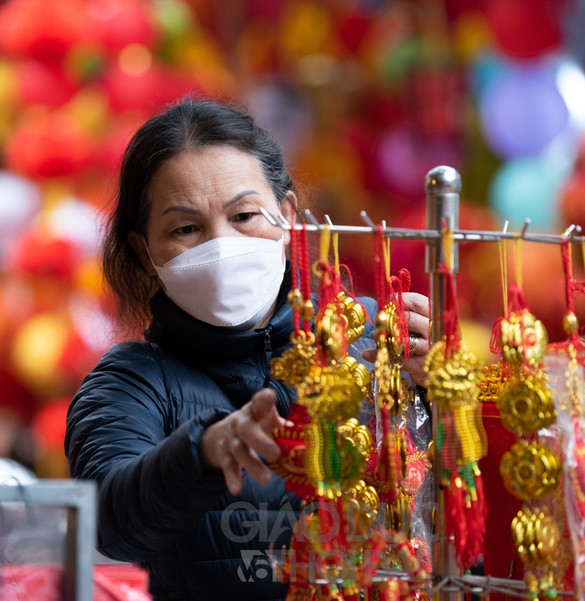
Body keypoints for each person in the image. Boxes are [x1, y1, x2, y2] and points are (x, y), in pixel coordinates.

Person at [64, 97, 431, 601]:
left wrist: (441, 395)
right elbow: (109, 520)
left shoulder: (372, 338)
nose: (221, 244)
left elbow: (459, 511)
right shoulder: (129, 384)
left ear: (287, 216)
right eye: (185, 228)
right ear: (143, 251)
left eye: (243, 215)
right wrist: (203, 453)